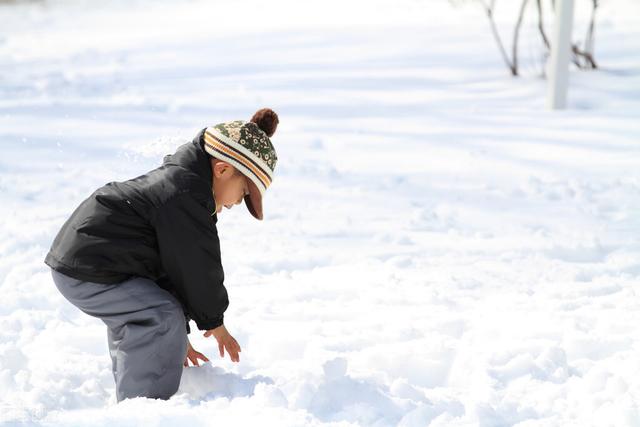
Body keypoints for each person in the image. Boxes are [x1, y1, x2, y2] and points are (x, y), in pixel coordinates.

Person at [43, 108, 279, 402]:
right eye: (243, 192)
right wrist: (213, 322)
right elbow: (197, 267)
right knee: (158, 317)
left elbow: (171, 269)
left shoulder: (183, 189)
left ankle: (132, 403)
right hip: (91, 266)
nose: (235, 204)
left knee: (153, 317)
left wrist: (177, 337)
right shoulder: (184, 196)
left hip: (91, 262)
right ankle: (144, 412)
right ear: (222, 170)